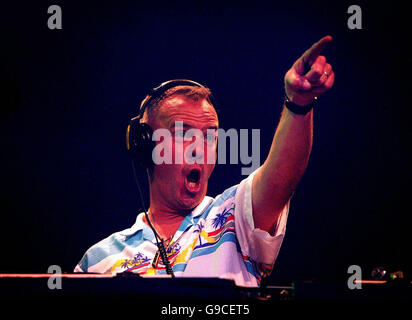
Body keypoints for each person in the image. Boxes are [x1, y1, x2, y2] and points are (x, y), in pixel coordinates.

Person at [74, 36, 335, 287]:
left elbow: (280, 178)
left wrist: (299, 102)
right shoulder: (97, 262)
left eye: (209, 136)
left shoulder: (234, 216)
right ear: (146, 145)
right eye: (183, 133)